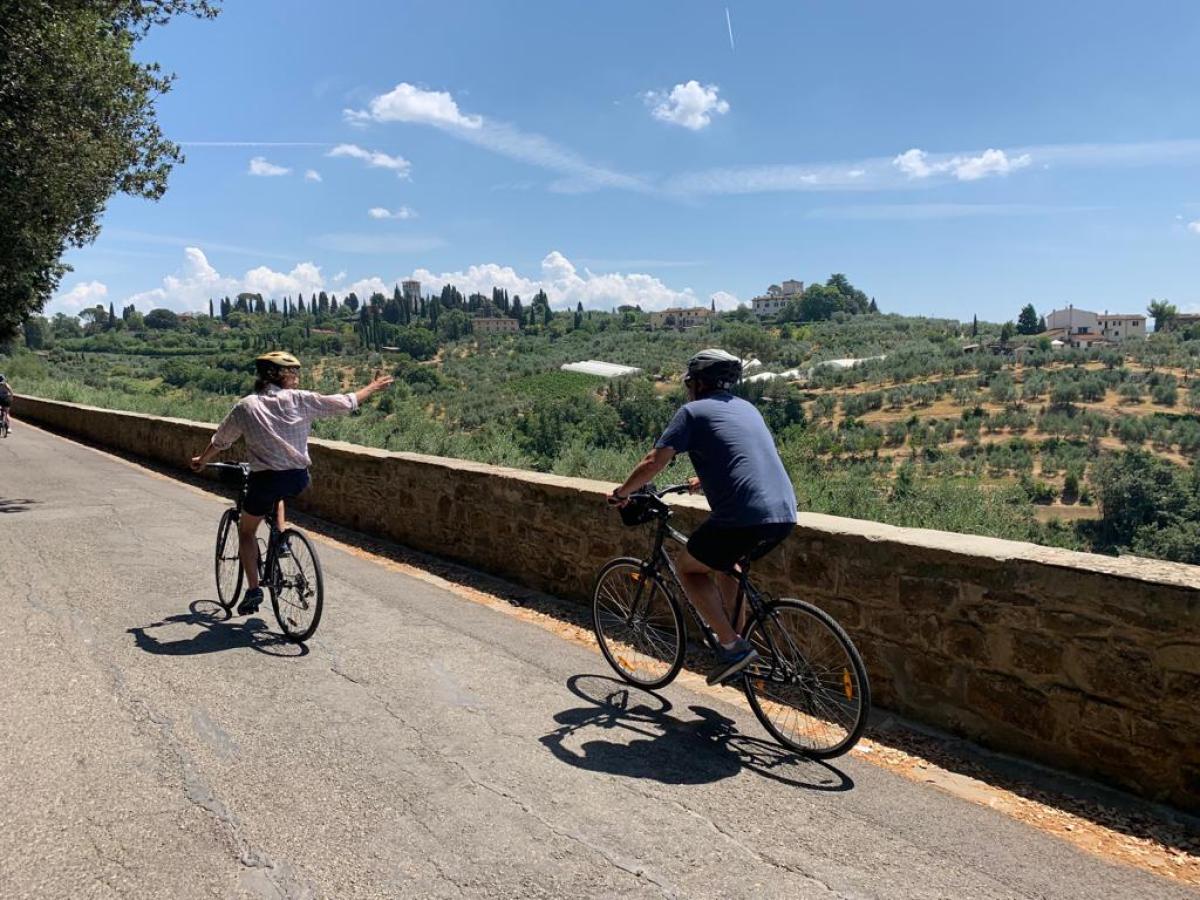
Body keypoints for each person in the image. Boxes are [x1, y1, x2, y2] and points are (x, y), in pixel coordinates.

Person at [609, 349, 797, 685]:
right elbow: (742, 456)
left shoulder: (691, 412)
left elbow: (655, 461)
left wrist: (623, 492)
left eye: (688, 383)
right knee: (727, 566)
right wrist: (705, 479)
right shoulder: (747, 408)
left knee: (688, 568)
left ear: (696, 383)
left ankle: (732, 647)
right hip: (783, 512)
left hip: (742, 515)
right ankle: (739, 643)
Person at [190, 351, 393, 615]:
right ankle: (282, 539)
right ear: (276, 375)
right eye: (292, 372)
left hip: (264, 479)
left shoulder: (246, 406)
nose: (296, 376)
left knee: (247, 531)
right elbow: (345, 402)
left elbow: (221, 441)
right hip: (298, 478)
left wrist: (202, 459)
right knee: (280, 494)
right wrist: (373, 387)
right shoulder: (301, 400)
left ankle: (253, 590)